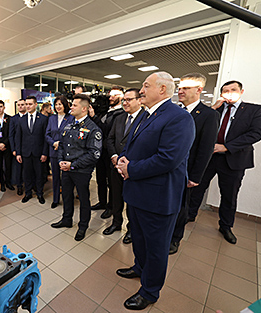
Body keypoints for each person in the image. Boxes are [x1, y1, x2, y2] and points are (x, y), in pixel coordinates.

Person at [115, 72, 195, 310]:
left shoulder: (179, 118)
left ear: (162, 89)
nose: (141, 90)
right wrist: (122, 161)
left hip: (159, 197)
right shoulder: (147, 114)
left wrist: (131, 169)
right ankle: (140, 268)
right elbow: (132, 145)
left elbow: (168, 159)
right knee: (138, 238)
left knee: (157, 247)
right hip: (137, 193)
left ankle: (150, 291)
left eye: (146, 85)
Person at [188, 80, 261, 244]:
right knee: (196, 187)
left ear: (241, 91)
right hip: (209, 158)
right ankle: (189, 215)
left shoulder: (254, 110)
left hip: (234, 159)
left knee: (229, 195)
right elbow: (195, 124)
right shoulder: (216, 109)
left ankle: (226, 226)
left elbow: (256, 134)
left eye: (233, 90)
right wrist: (213, 108)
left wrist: (226, 147)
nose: (229, 93)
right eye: (225, 90)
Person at [169, 73, 220, 254]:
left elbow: (206, 149)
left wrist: (196, 176)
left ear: (199, 90)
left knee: (182, 207)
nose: (180, 91)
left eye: (185, 88)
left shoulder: (209, 115)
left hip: (187, 171)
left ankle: (175, 239)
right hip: (168, 168)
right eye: (180, 87)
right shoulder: (175, 111)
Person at [50, 94, 102, 241]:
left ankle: (83, 226)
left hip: (81, 171)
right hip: (66, 168)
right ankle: (66, 219)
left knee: (84, 199)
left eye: (74, 105)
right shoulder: (70, 124)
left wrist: (73, 164)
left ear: (84, 108)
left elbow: (94, 154)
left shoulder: (93, 129)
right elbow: (61, 144)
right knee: (66, 195)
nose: (70, 107)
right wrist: (61, 160)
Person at [103, 88, 144, 242]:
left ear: (139, 100)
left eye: (129, 99)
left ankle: (131, 229)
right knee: (116, 196)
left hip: (133, 168)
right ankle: (116, 223)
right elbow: (110, 139)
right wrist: (114, 156)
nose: (125, 103)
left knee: (132, 201)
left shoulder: (146, 118)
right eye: (124, 100)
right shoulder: (119, 117)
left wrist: (129, 163)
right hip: (116, 166)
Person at [91, 86, 124, 219]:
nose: (110, 97)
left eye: (114, 95)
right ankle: (102, 202)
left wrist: (94, 117)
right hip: (100, 150)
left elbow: (107, 131)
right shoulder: (105, 111)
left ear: (121, 97)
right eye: (110, 95)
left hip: (111, 152)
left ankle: (111, 206)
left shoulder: (121, 114)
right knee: (100, 178)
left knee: (112, 182)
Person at [15, 96, 49, 204]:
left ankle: (40, 193)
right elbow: (18, 137)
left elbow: (45, 138)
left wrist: (44, 153)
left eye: (30, 104)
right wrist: (18, 153)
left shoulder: (43, 119)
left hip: (39, 153)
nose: (27, 106)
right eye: (26, 104)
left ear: (35, 105)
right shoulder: (21, 120)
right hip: (25, 153)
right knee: (27, 174)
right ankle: (28, 193)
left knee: (39, 174)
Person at [45, 96, 74, 209]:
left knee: (66, 177)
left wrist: (59, 143)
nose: (58, 106)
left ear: (65, 105)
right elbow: (47, 134)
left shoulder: (71, 118)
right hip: (54, 151)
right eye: (56, 104)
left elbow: (72, 134)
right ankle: (56, 199)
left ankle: (67, 199)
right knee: (55, 177)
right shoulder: (51, 118)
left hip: (66, 152)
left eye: (60, 104)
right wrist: (53, 143)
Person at [9, 99, 26, 195]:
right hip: (18, 148)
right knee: (18, 169)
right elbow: (11, 135)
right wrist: (13, 149)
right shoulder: (13, 119)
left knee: (28, 169)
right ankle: (19, 186)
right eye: (18, 105)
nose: (20, 106)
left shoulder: (29, 117)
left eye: (22, 105)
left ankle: (30, 185)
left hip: (28, 148)